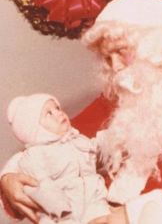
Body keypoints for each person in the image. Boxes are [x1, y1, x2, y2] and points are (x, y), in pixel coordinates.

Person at [1, 0, 162, 224]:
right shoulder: (116, 101)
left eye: (122, 52)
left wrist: (129, 215)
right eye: (107, 58)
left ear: (159, 45)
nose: (116, 67)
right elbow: (51, 143)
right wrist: (9, 178)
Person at [1, 93, 112, 224]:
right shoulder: (34, 154)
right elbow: (40, 184)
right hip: (62, 211)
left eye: (57, 109)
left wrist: (113, 138)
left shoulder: (78, 139)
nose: (59, 113)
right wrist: (60, 208)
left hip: (94, 198)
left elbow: (96, 154)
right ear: (36, 130)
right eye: (49, 113)